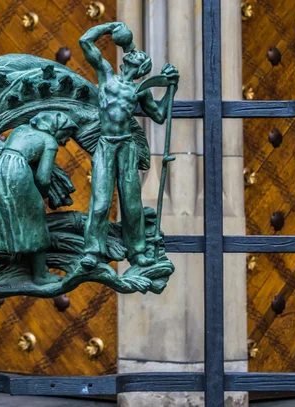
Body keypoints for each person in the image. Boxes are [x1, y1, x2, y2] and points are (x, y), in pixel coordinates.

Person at [79, 22, 179, 269]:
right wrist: (109, 26)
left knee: (132, 205)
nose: (132, 54)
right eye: (132, 53)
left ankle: (137, 252)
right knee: (100, 201)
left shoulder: (139, 91)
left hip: (126, 147)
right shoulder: (105, 75)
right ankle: (93, 251)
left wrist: (170, 91)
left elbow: (158, 115)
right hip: (105, 146)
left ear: (140, 67)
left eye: (137, 56)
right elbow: (84, 42)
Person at [0, 111, 78, 286]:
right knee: (36, 219)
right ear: (55, 128)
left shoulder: (20, 129)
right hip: (18, 174)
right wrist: (40, 195)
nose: (66, 140)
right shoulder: (49, 142)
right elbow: (44, 178)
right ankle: (40, 275)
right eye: (66, 134)